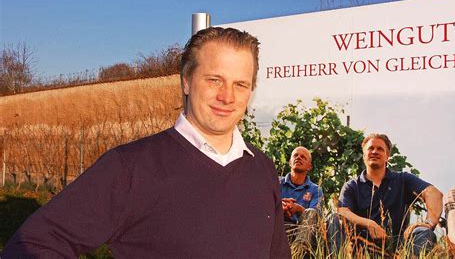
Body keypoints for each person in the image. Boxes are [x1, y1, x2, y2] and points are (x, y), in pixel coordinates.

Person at [3, 27, 291, 258]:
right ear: (187, 82)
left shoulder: (262, 169)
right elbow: (32, 245)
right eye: (214, 80)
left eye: (240, 84)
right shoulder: (131, 168)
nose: (227, 96)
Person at [328, 133, 443, 256]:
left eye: (380, 149)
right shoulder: (352, 185)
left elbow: (434, 193)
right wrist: (369, 223)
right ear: (364, 155)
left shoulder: (403, 179)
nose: (375, 151)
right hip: (361, 245)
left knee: (424, 232)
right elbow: (342, 211)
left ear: (387, 156)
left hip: (397, 245)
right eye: (370, 148)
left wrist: (429, 223)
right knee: (334, 219)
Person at [280, 146, 323, 254]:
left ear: (309, 166)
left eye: (303, 157)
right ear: (290, 162)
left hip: (302, 232)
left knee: (311, 212)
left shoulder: (315, 190)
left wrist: (299, 209)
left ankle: (298, 252)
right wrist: (280, 206)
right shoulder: (276, 183)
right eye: (295, 155)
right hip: (278, 228)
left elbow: (316, 216)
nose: (298, 157)